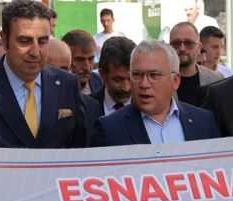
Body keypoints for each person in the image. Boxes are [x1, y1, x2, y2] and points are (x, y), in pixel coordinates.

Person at [0, 0, 87, 149]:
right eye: (25, 41)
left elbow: (80, 149)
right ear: (5, 41)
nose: (35, 52)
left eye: (43, 41)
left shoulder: (67, 84)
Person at [90, 40, 220, 148]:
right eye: (137, 75)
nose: (144, 84)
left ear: (175, 80)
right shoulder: (109, 129)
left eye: (154, 75)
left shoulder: (204, 121)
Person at [46, 38, 100, 137]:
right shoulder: (24, 102)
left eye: (64, 70)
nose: (87, 67)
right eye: (52, 70)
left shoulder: (89, 107)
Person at [168, 21, 222, 107]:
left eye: (188, 43)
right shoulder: (158, 79)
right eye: (176, 43)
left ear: (199, 48)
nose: (182, 48)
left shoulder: (216, 79)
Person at [92, 36, 135, 117]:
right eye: (118, 79)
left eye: (131, 78)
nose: (126, 88)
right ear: (102, 74)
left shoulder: (148, 108)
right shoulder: (86, 108)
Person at [61, 29, 101, 96]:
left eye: (91, 59)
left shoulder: (101, 83)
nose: (87, 67)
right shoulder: (53, 87)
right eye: (79, 60)